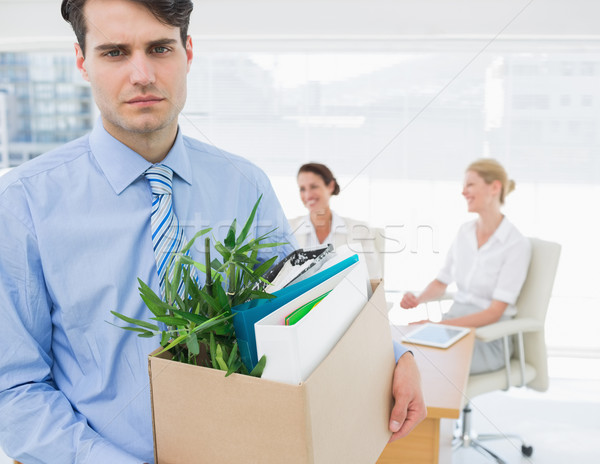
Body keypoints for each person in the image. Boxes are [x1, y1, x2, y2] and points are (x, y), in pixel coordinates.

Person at [0, 1, 424, 463]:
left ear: (188, 52)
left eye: (160, 47)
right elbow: (13, 389)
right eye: (115, 52)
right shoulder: (24, 202)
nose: (142, 74)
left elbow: (299, 308)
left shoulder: (245, 185)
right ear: (82, 60)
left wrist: (397, 355)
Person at [401, 158, 532, 374]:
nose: (463, 192)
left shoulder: (516, 244)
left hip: (487, 337)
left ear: (495, 187)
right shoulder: (465, 232)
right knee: (399, 353)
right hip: (452, 326)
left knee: (419, 364)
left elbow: (493, 313)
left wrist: (437, 327)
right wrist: (418, 298)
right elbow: (442, 281)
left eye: (470, 185)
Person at [289, 162, 384, 279]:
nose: (307, 195)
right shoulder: (289, 230)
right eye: (302, 189)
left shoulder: (359, 230)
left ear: (330, 186)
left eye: (314, 187)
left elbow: (373, 277)